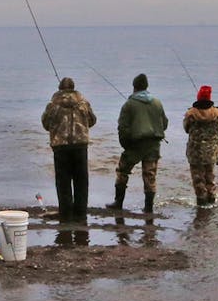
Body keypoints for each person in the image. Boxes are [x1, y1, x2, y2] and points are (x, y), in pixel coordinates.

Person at [108, 73, 169, 213]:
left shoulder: (129, 104)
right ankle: (148, 208)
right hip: (154, 145)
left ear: (134, 87)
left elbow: (123, 128)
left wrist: (125, 145)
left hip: (135, 145)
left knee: (122, 171)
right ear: (146, 86)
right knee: (150, 175)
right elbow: (164, 124)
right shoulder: (157, 103)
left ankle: (118, 203)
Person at [41, 76, 96, 223]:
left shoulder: (53, 105)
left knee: (63, 181)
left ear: (60, 89)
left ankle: (65, 214)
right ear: (73, 88)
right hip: (80, 146)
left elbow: (46, 124)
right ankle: (80, 213)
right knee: (81, 181)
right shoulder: (83, 104)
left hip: (60, 147)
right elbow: (92, 121)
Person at [183, 84, 218, 206]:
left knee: (198, 178)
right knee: (209, 177)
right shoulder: (217, 113)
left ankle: (201, 203)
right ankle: (211, 200)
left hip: (195, 151)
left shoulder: (190, 113)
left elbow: (186, 128)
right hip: (211, 151)